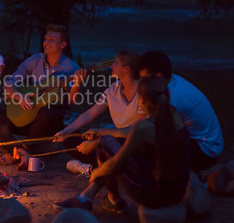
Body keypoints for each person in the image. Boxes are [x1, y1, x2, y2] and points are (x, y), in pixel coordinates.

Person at [54, 76, 191, 212]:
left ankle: (100, 198)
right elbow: (128, 134)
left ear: (142, 99)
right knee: (110, 140)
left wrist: (96, 173)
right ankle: (91, 199)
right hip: (177, 191)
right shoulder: (174, 116)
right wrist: (100, 130)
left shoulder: (145, 127)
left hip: (155, 194)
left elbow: (115, 164)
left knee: (104, 143)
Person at [0, 24, 86, 169]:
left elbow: (71, 103)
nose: (46, 42)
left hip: (50, 123)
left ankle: (23, 151)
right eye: (45, 39)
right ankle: (18, 150)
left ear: (63, 44)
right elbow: (9, 83)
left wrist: (77, 84)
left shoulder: (71, 68)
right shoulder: (35, 60)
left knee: (47, 112)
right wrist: (20, 97)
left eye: (51, 39)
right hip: (27, 117)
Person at [54, 50, 146, 176]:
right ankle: (100, 166)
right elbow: (90, 113)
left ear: (126, 68)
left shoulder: (144, 91)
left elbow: (137, 131)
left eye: (116, 63)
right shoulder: (113, 89)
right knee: (71, 140)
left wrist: (99, 140)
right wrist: (66, 131)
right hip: (113, 139)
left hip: (134, 146)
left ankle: (92, 169)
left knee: (106, 147)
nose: (111, 66)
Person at [138, 50, 223, 173]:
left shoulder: (172, 98)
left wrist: (108, 131)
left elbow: (146, 128)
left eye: (143, 77)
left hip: (205, 153)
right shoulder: (173, 80)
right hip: (209, 143)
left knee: (147, 144)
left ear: (158, 76)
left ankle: (190, 179)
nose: (141, 82)